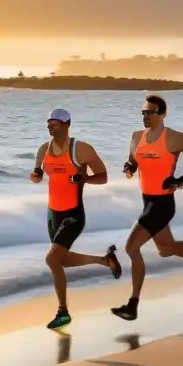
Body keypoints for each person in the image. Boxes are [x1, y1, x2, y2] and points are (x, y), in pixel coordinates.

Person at [111, 95, 183, 321]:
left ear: (162, 114)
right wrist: (129, 167)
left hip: (163, 203)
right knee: (167, 248)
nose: (146, 117)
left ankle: (133, 305)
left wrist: (181, 177)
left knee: (131, 247)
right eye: (143, 112)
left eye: (150, 113)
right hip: (147, 200)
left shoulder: (174, 138)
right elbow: (132, 162)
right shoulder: (136, 137)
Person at [31, 108, 122, 330]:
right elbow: (37, 176)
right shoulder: (44, 149)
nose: (50, 125)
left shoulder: (80, 149)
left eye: (54, 122)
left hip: (73, 213)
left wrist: (84, 178)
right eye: (48, 122)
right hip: (53, 213)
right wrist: (36, 176)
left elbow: (103, 177)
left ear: (66, 124)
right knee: (61, 260)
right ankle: (105, 260)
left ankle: (63, 312)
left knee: (52, 259)